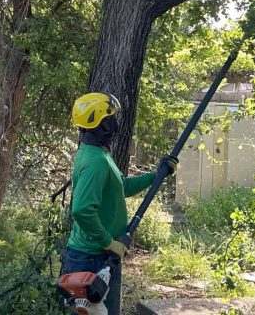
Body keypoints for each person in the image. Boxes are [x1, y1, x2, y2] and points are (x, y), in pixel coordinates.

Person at [61, 92, 178, 315]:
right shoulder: (95, 161)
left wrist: (157, 176)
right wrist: (108, 243)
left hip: (98, 256)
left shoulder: (97, 154)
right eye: (110, 118)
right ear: (101, 125)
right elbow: (82, 210)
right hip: (92, 259)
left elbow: (121, 188)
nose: (115, 123)